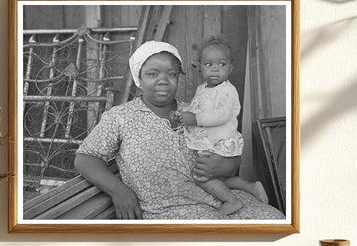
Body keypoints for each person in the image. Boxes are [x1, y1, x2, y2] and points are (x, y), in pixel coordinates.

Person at [74, 40, 283, 221]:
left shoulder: (195, 110)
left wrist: (228, 163)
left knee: (275, 220)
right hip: (173, 211)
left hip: (225, 199)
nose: (163, 80)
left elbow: (229, 146)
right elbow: (85, 157)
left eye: (171, 74)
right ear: (139, 78)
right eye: (152, 74)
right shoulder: (120, 117)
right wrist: (118, 190)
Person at [174, 37, 269, 215]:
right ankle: (251, 187)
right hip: (210, 140)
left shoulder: (227, 90)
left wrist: (195, 118)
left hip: (220, 141)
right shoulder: (202, 88)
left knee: (201, 177)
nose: (215, 69)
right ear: (200, 67)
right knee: (219, 178)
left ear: (230, 68)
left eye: (222, 64)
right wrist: (185, 114)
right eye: (209, 64)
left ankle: (232, 201)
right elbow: (196, 106)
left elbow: (221, 114)